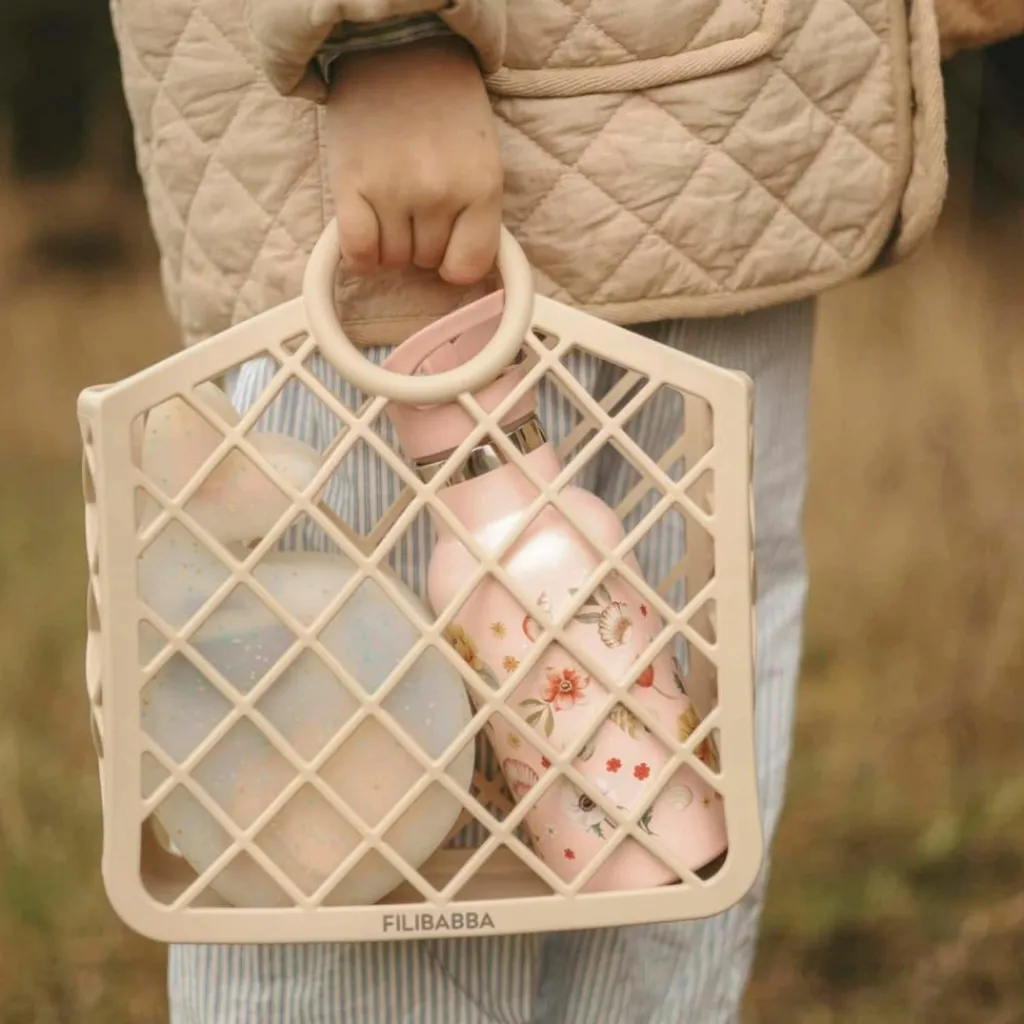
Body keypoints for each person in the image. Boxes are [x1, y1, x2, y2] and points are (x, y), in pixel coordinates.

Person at [110, 2, 940, 1020]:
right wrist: (380, 35)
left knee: (659, 926)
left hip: (723, 128)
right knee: (347, 860)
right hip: (436, 130)